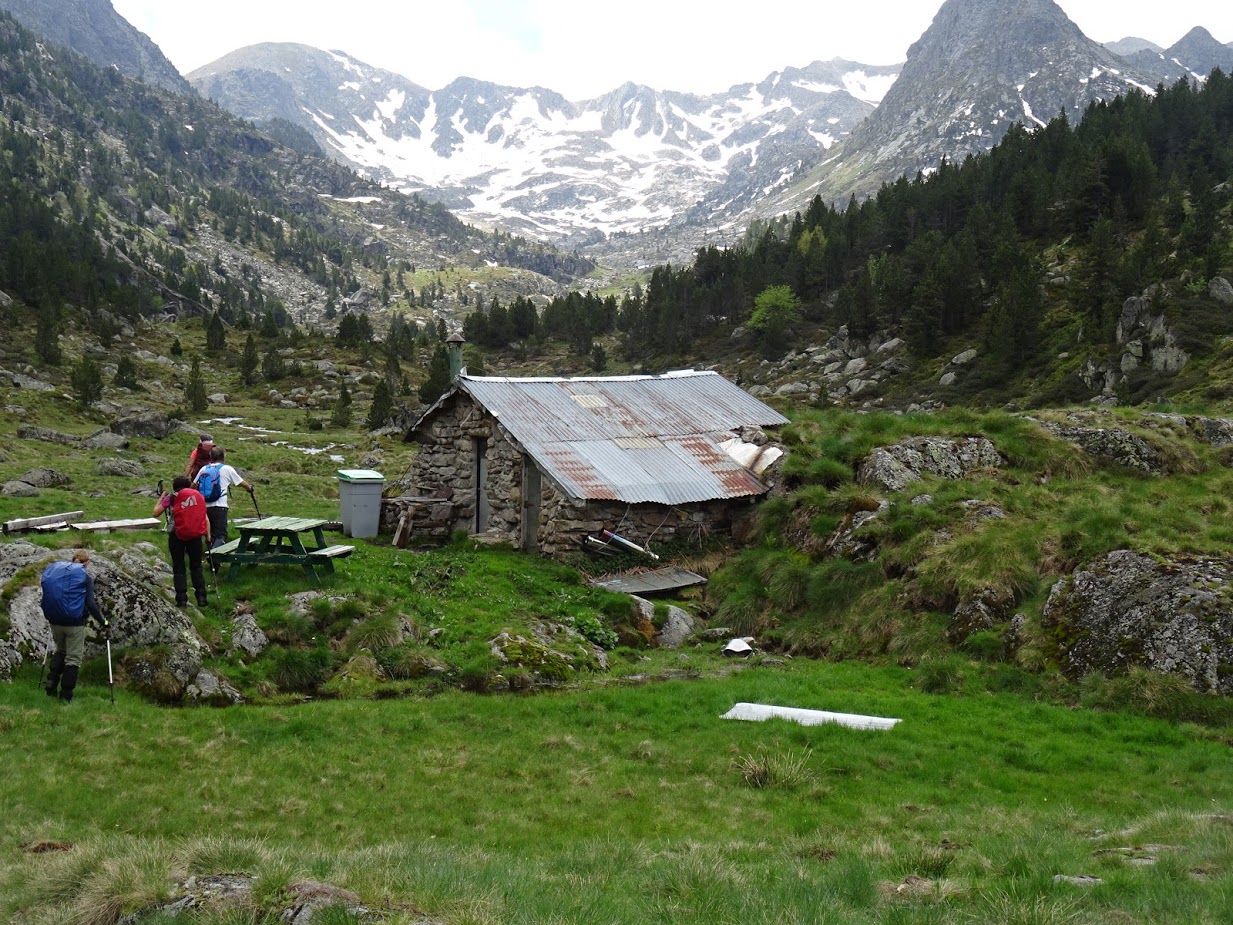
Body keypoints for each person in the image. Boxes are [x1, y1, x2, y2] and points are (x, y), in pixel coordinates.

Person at [40, 550, 109, 703]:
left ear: (73, 560)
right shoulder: (85, 578)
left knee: (60, 651)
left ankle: (50, 686)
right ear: (87, 563)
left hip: (55, 622)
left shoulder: (58, 573)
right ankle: (66, 695)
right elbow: (90, 604)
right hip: (75, 625)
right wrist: (103, 622)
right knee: (73, 659)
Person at [154, 475, 211, 608]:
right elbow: (205, 518)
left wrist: (161, 498)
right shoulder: (197, 497)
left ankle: (181, 599)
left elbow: (155, 513)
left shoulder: (172, 497)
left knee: (179, 567)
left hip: (176, 536)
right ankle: (201, 597)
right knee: (196, 566)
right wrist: (208, 537)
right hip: (196, 536)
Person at [194, 445, 254, 549]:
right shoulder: (227, 469)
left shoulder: (204, 469)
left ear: (211, 457)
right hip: (220, 506)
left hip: (204, 506)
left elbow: (193, 485)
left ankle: (210, 556)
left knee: (209, 533)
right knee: (220, 535)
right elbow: (241, 483)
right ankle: (214, 557)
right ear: (223, 456)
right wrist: (249, 488)